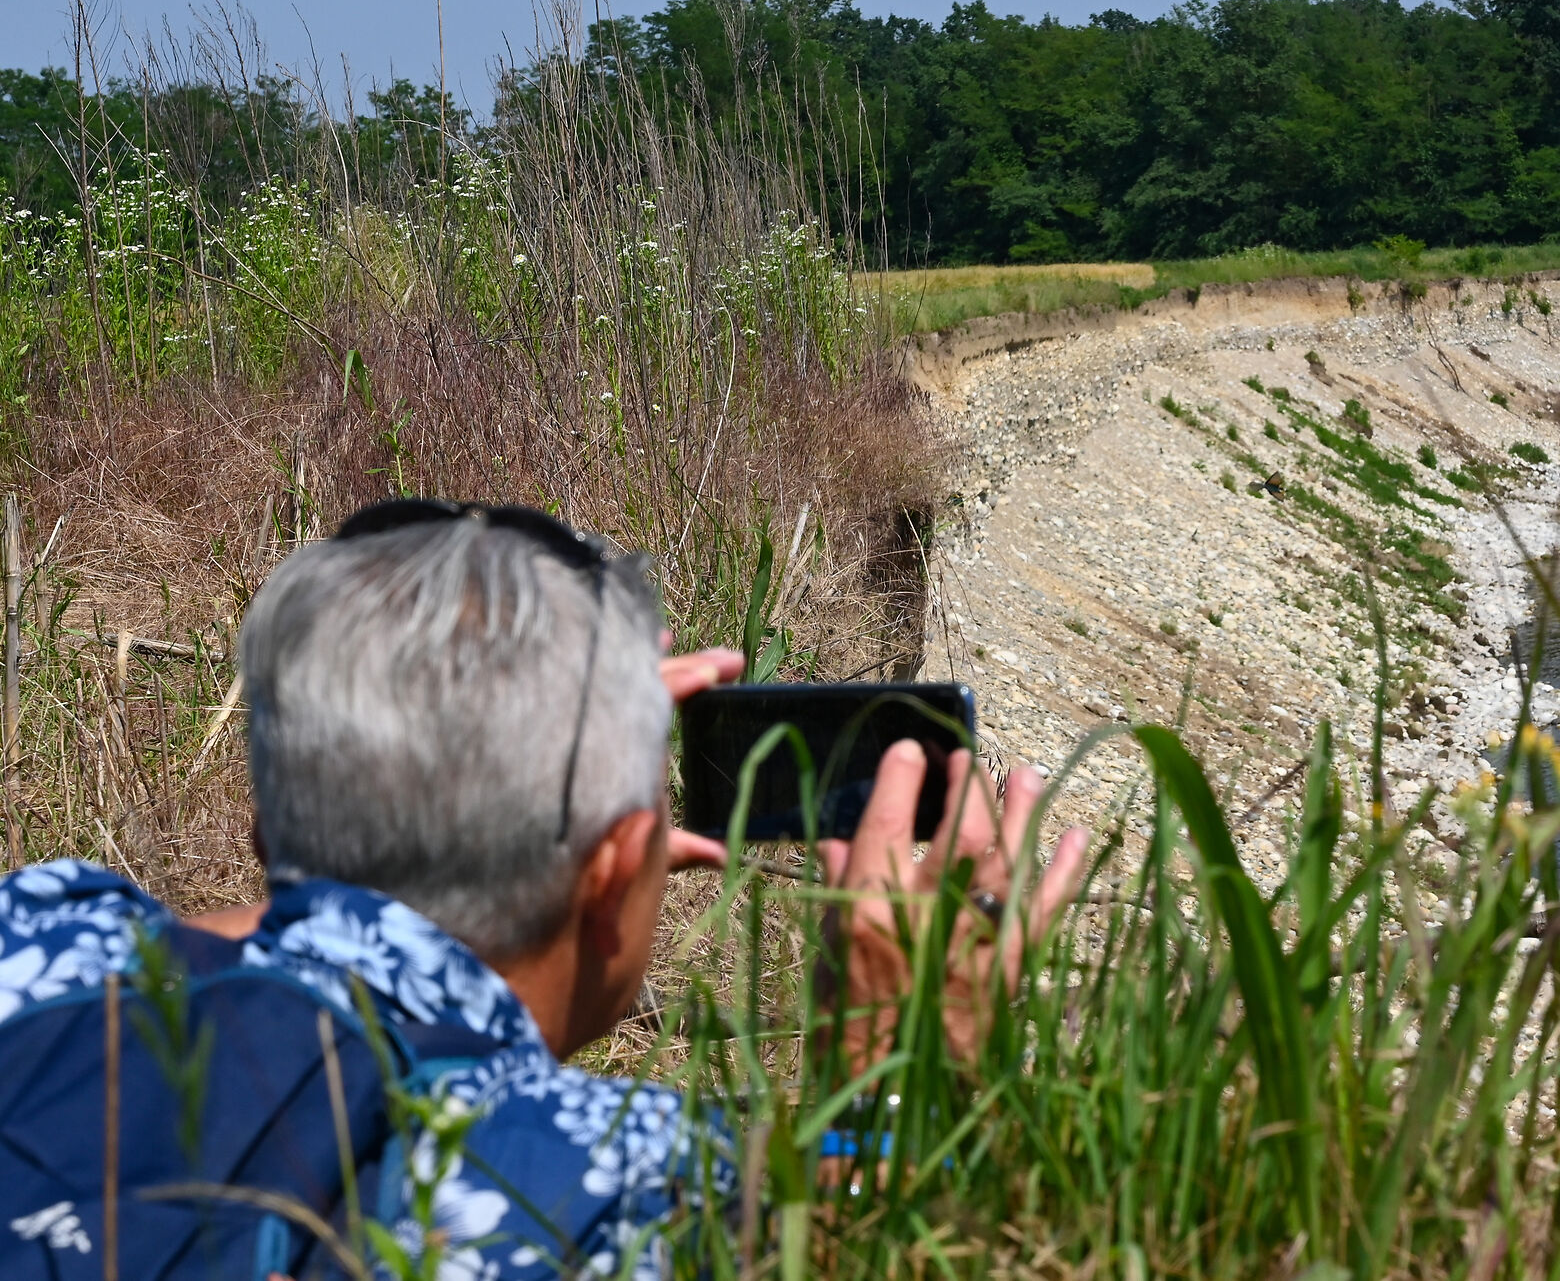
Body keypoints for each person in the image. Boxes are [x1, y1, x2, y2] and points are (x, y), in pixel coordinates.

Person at [0, 500, 1087, 1281]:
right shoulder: (609, 1188)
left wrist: (511, 761)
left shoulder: (39, 925)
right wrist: (913, 1058)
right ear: (617, 874)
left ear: (259, 831)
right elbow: (913, 1240)